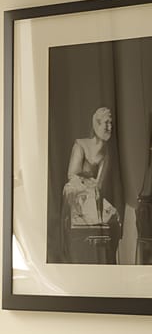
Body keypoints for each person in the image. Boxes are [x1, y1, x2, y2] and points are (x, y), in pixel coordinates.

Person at [61, 105, 120, 263]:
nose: (110, 127)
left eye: (111, 123)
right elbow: (72, 174)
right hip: (76, 188)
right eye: (106, 123)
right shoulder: (80, 144)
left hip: (93, 192)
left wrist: (94, 189)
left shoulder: (106, 152)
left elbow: (99, 183)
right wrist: (86, 186)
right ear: (97, 125)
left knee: (113, 217)